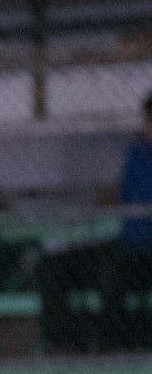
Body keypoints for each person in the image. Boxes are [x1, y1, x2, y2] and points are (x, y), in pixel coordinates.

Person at [38, 89, 152, 351]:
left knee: (113, 273)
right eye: (147, 120)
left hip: (145, 256)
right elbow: (120, 193)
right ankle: (63, 347)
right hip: (127, 246)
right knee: (52, 268)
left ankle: (108, 347)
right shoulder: (138, 154)